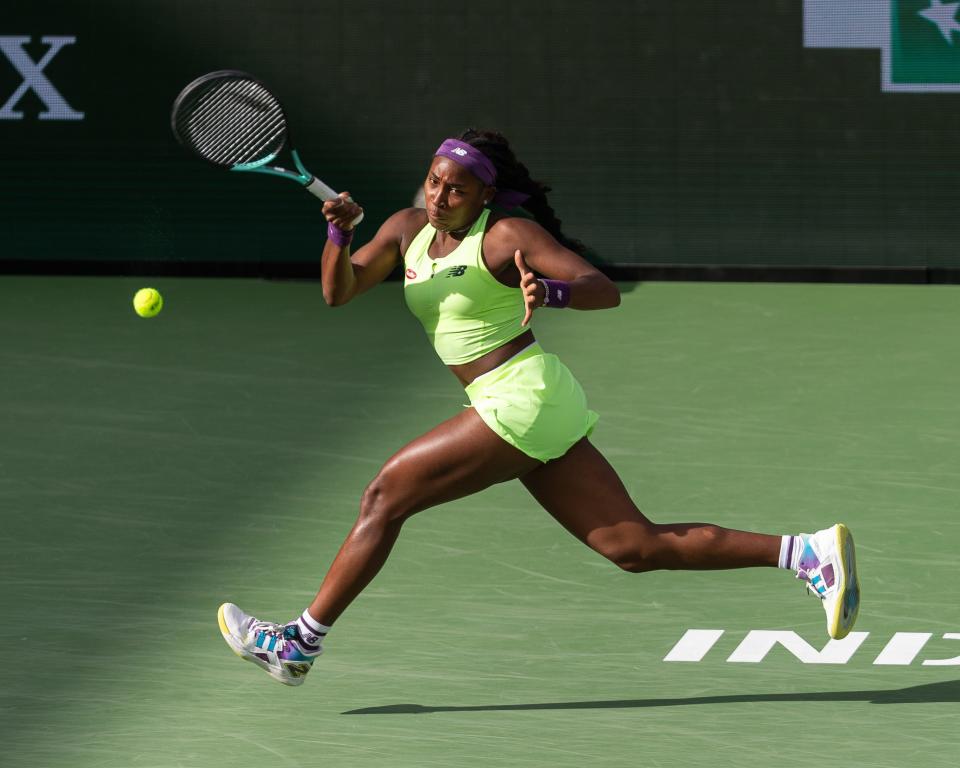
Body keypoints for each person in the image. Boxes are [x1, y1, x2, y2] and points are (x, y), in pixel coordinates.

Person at [217, 129, 860, 686]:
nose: (440, 197)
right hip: (520, 404)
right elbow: (341, 291)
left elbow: (602, 291)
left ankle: (299, 641)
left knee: (386, 496)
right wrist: (339, 233)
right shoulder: (405, 230)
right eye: (434, 182)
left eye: (458, 190)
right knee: (632, 546)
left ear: (485, 196)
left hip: (519, 397)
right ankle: (806, 554)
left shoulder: (506, 237)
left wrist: (549, 291)